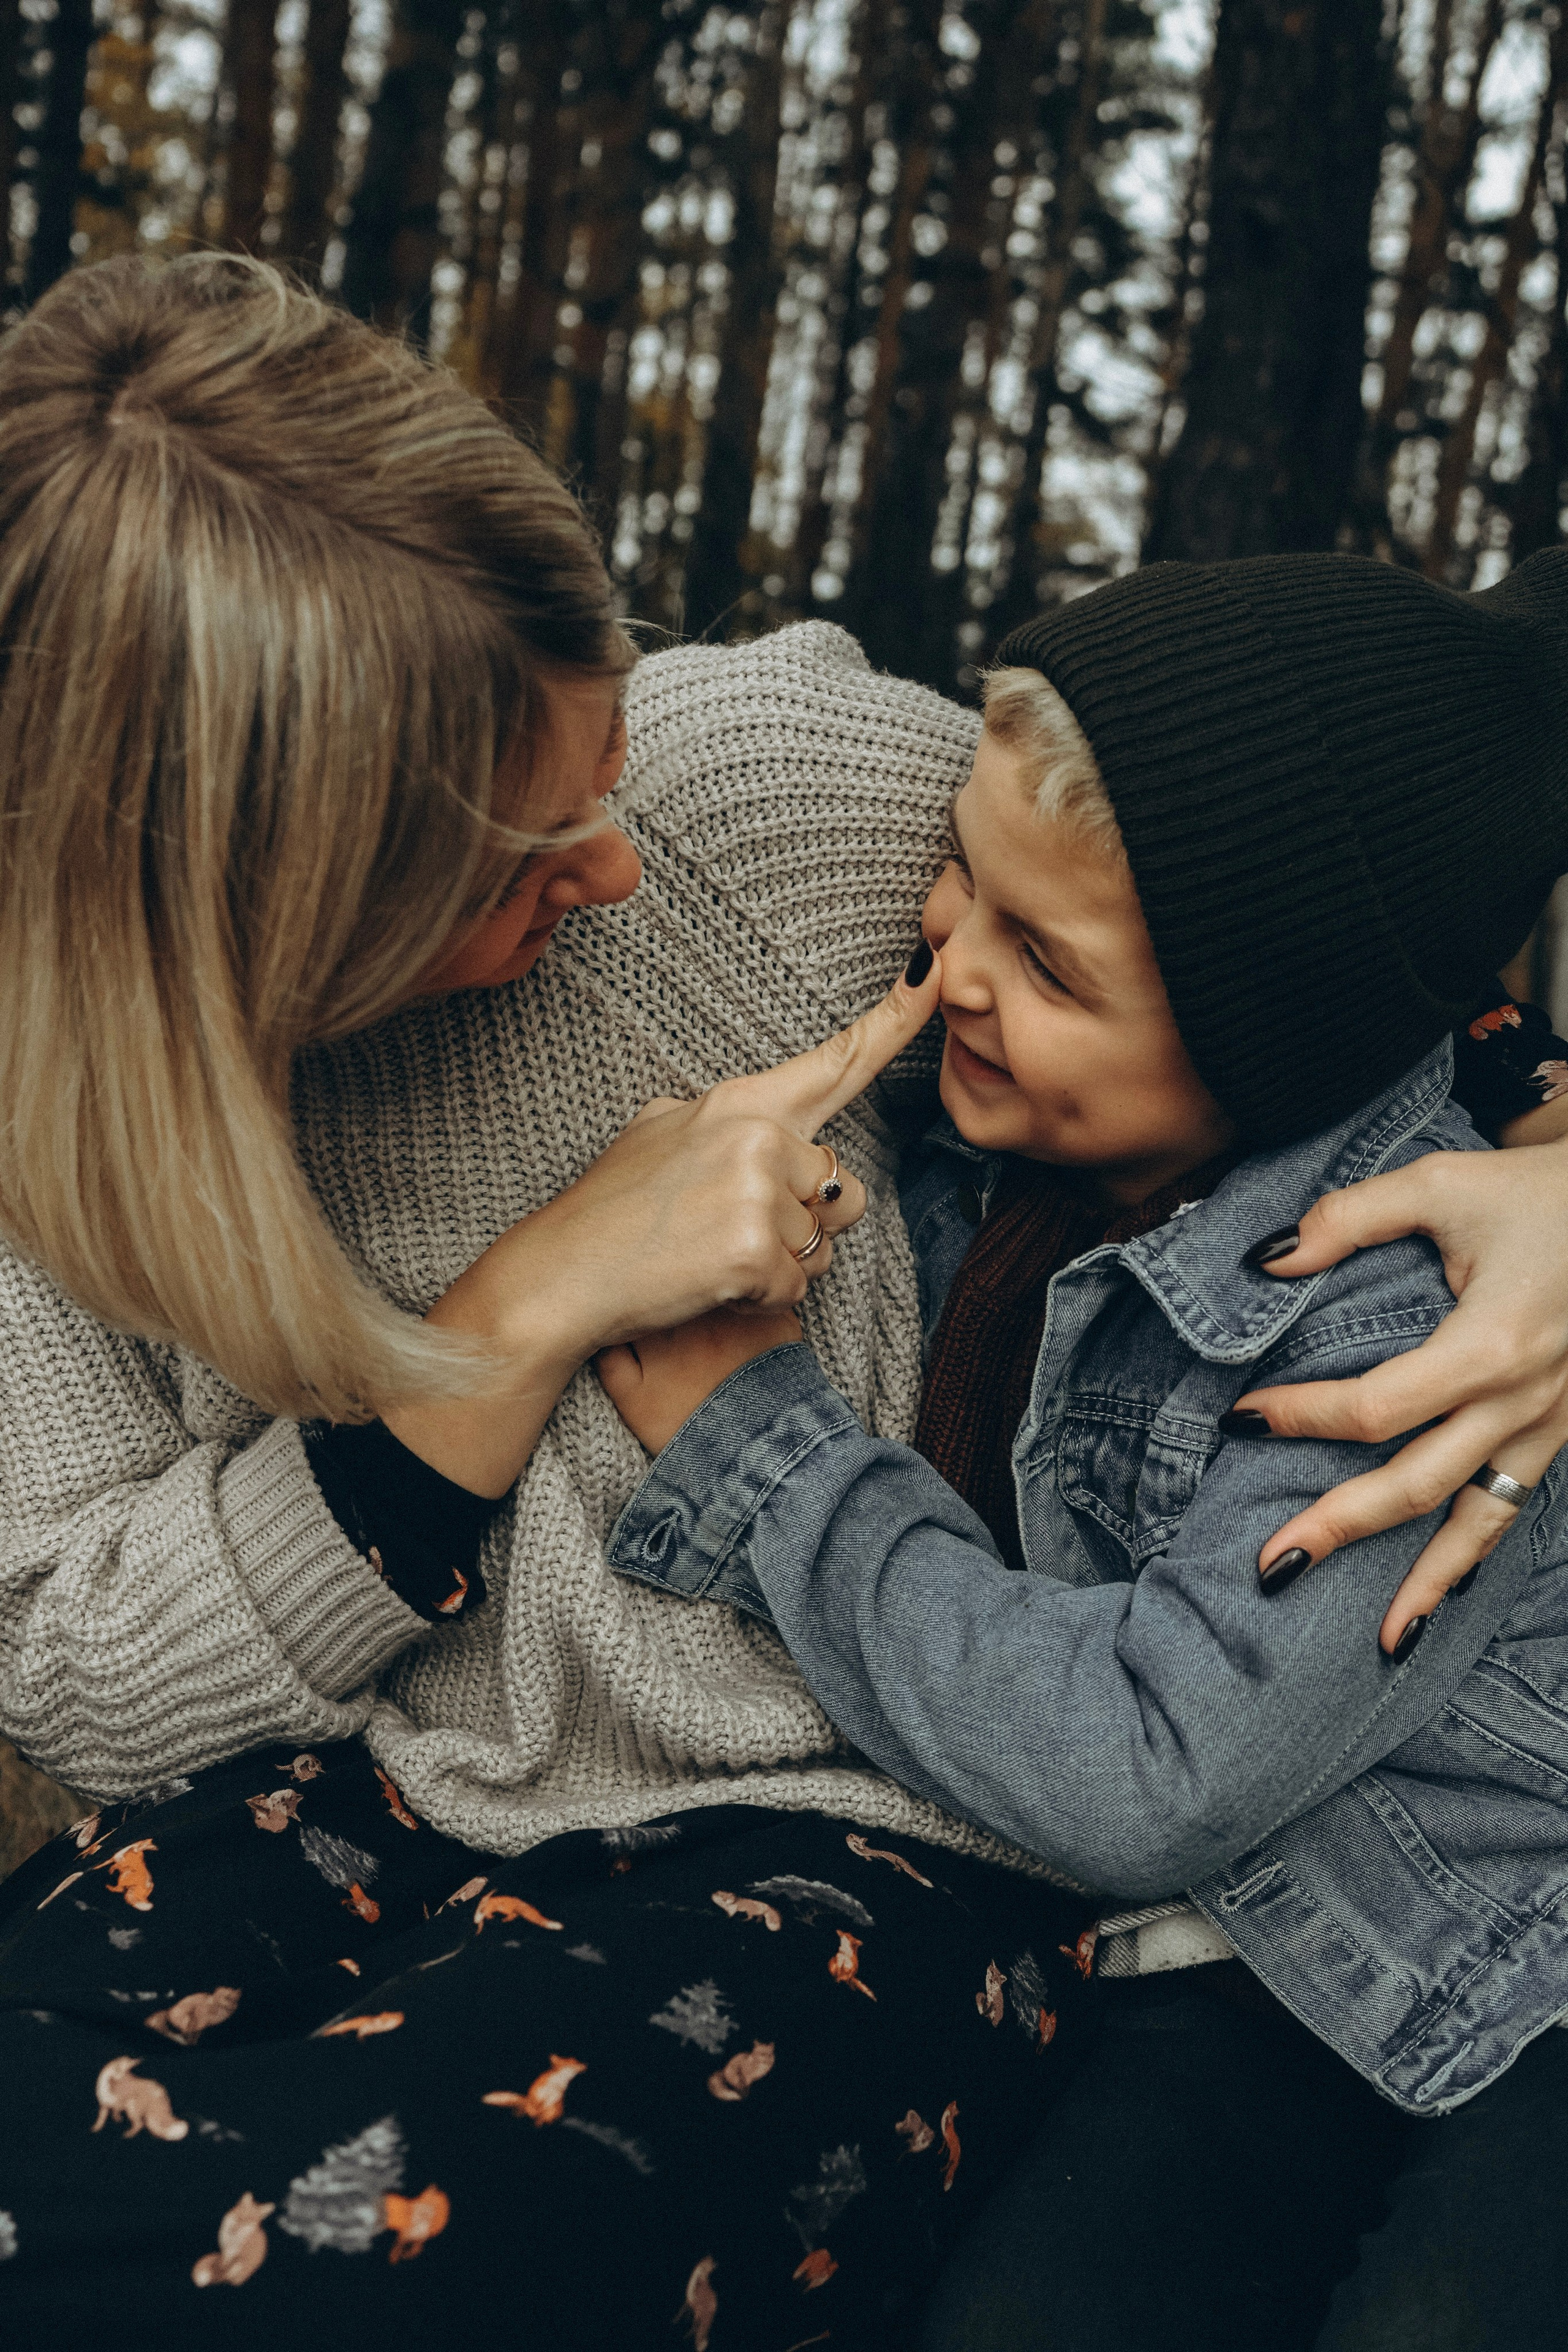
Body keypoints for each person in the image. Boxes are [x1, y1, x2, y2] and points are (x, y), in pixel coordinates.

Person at [0, 255, 1096, 2350]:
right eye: (515, 855)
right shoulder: (47, 1134)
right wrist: (514, 1320)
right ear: (254, 916)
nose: (609, 859)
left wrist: (1552, 1188)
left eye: (599, 751)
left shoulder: (761, 783)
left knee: (397, 2269)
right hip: (332, 1812)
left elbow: (1266, 955)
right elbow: (85, 1683)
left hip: (846, 1832)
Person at [596, 552, 1568, 2350]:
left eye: (1046, 962)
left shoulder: (1405, 1305)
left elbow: (1152, 1760)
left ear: (1275, 1043)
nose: (952, 965)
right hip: (1206, 1963)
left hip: (1499, 1956)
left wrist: (772, 1461)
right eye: (962, 871)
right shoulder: (999, 1128)